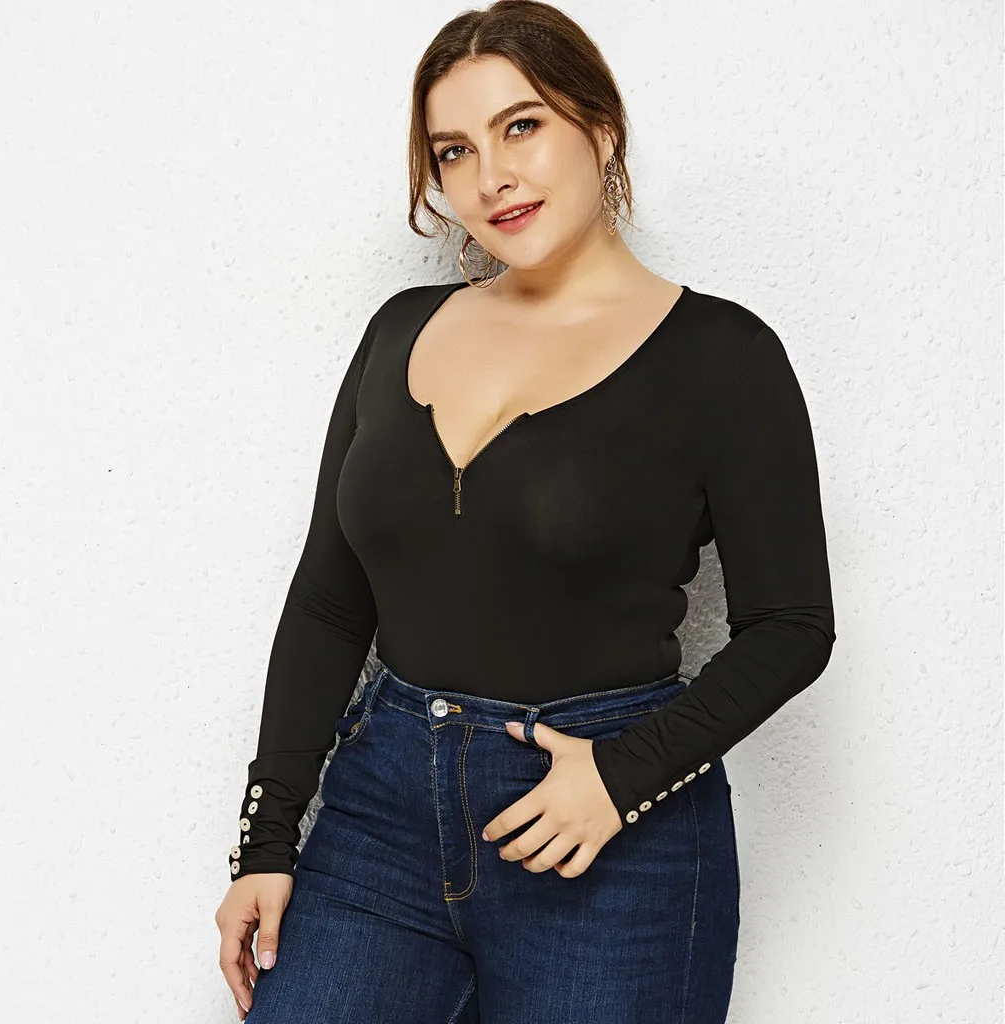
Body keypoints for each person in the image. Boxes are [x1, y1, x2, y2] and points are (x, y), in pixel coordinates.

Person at [214, 2, 837, 1021]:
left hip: (611, 838)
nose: (489, 176)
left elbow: (791, 627)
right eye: (454, 150)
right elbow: (330, 601)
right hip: (380, 817)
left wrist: (623, 777)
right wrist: (266, 839)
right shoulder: (398, 331)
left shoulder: (722, 357)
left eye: (521, 126)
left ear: (601, 127)